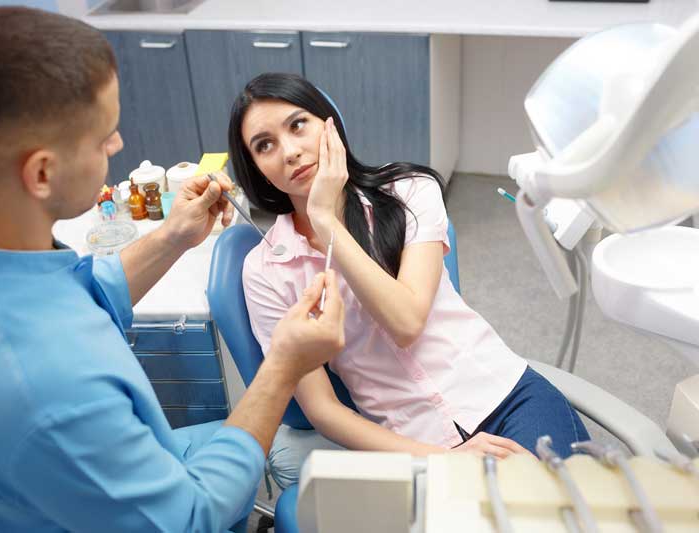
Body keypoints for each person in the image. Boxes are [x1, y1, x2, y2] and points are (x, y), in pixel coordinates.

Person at [0, 9, 346, 533]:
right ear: (42, 172)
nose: (117, 146)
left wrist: (172, 237)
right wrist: (284, 364)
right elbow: (191, 518)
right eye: (103, 137)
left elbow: (75, 296)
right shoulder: (43, 384)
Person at [229, 72, 590, 488]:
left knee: (559, 512)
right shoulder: (266, 271)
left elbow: (406, 321)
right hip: (415, 446)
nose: (290, 152)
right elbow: (322, 409)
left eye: (297, 125)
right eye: (265, 145)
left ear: (329, 125)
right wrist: (443, 460)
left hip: (508, 395)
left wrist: (327, 221)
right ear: (254, 167)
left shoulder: (409, 192)